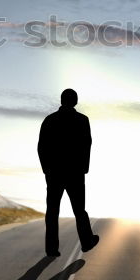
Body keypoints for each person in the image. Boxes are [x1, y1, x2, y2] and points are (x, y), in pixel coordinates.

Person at [37, 88, 99, 257]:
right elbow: (87, 145)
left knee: (52, 211)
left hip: (54, 173)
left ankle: (51, 249)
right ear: (75, 101)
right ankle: (86, 242)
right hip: (75, 173)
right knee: (79, 210)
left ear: (61, 100)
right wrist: (84, 168)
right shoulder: (82, 120)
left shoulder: (50, 120)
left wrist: (46, 170)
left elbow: (41, 147)